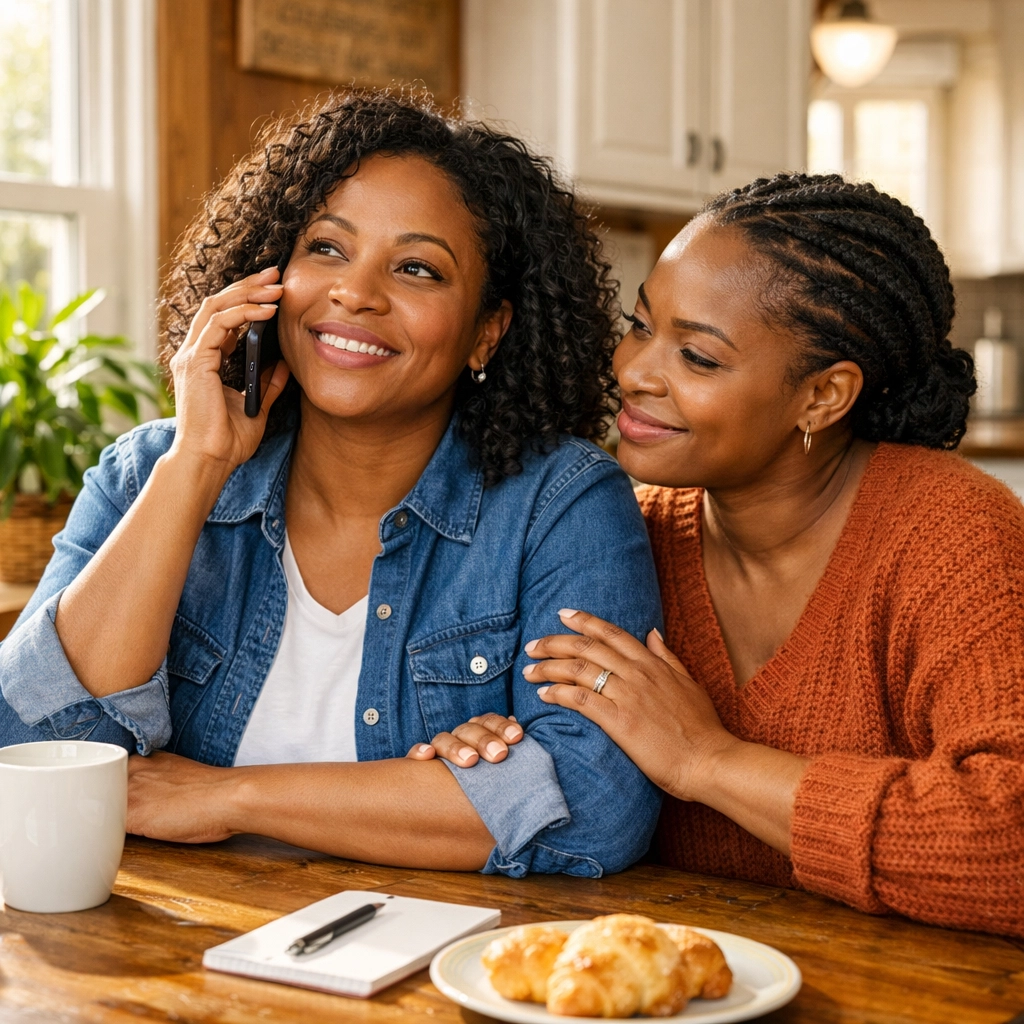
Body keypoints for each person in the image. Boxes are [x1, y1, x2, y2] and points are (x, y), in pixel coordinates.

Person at [0, 91, 663, 878]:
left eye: (416, 268)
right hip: (161, 965)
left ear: (489, 329)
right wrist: (197, 466)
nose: (357, 293)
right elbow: (31, 754)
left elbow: (593, 806)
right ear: (268, 278)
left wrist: (226, 799)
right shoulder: (150, 472)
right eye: (326, 249)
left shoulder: (560, 506)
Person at [415, 174, 1024, 936]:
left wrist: (710, 761)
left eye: (697, 358)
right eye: (640, 325)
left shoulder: (953, 535)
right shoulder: (620, 535)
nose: (633, 373)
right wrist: (492, 749)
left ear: (824, 397)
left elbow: (1010, 845)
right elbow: (569, 793)